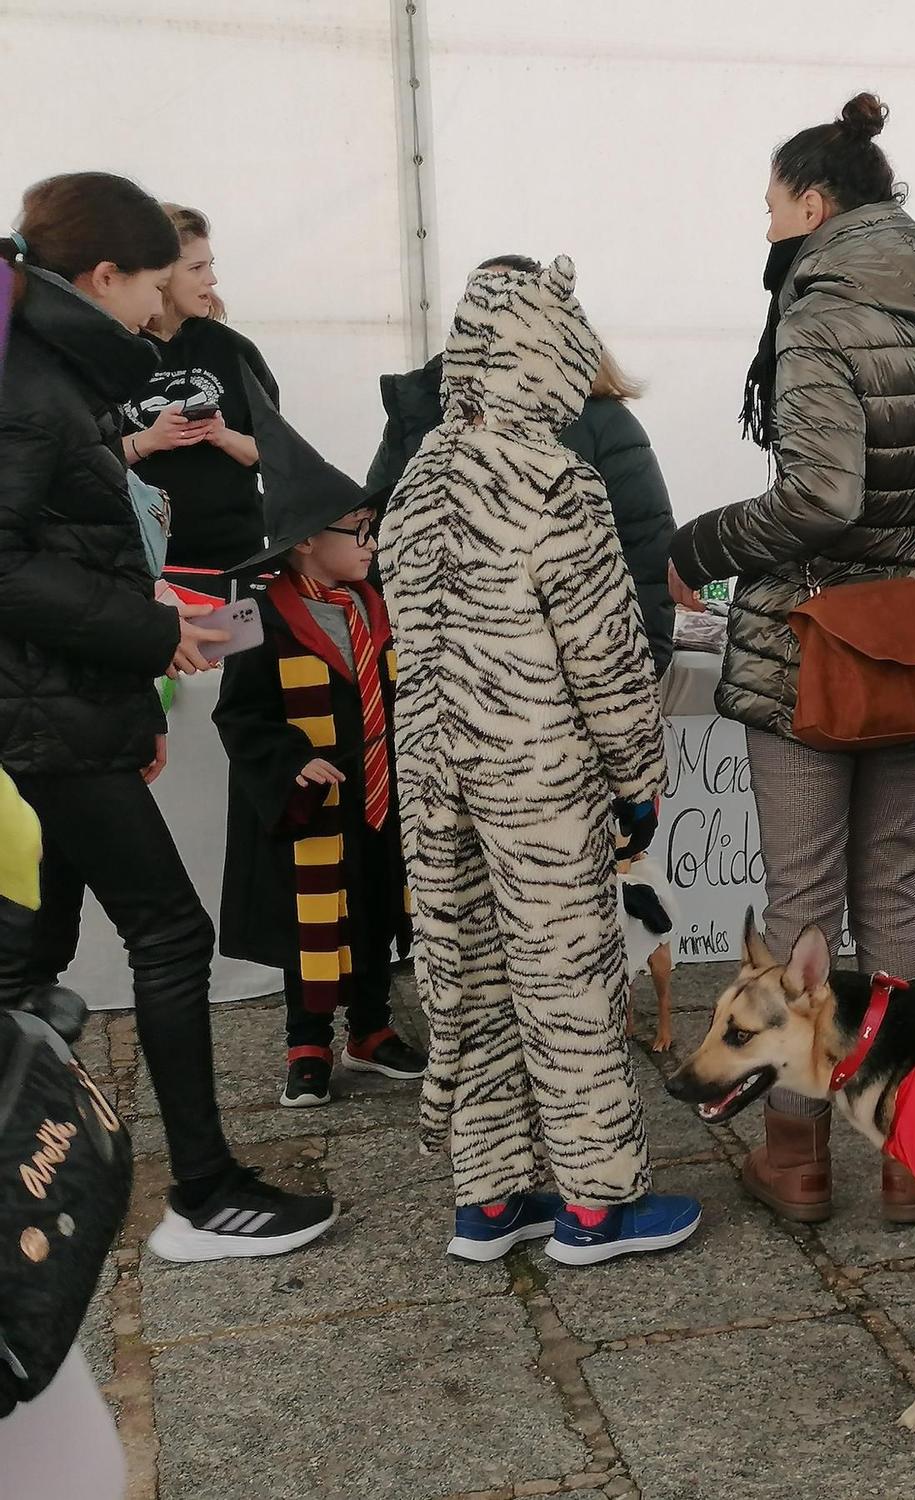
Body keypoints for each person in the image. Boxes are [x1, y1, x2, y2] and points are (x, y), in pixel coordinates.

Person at [0, 173, 337, 1261]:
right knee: (168, 931)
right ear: (103, 277)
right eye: (154, 283)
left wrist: (142, 615)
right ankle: (201, 1194)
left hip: (62, 698)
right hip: (43, 712)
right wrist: (149, 635)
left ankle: (30, 1183)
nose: (162, 309)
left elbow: (61, 542)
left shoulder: (47, 365)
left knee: (28, 952)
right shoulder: (28, 380)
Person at [666, 91, 915, 1228]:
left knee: (800, 894)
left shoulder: (816, 307)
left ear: (813, 200)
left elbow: (819, 496)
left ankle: (796, 1157)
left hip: (809, 642)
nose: (765, 230)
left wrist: (697, 544)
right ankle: (909, 1148)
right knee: (891, 888)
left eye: (769, 208)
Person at [378, 253, 700, 1266]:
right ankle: (597, 1205)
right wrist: (635, 783)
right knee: (563, 984)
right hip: (533, 775)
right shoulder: (555, 481)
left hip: (434, 776)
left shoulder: (417, 475)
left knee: (465, 978)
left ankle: (489, 1200)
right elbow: (604, 658)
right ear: (547, 351)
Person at [212, 378, 427, 1110]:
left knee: (373, 915)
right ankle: (307, 1042)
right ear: (307, 540)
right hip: (307, 806)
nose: (371, 544)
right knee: (313, 923)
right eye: (357, 532)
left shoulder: (379, 604)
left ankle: (370, 1028)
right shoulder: (252, 612)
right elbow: (236, 715)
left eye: (372, 529)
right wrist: (287, 759)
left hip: (376, 799)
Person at [366, 256, 677, 678]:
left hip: (555, 693)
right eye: (476, 303)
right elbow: (377, 539)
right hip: (442, 688)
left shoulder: (603, 425)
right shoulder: (420, 413)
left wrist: (635, 673)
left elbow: (644, 555)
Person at [121, 204, 277, 571]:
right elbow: (79, 459)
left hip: (236, 557)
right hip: (140, 564)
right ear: (159, 275)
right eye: (196, 268)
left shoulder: (234, 350)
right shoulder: (111, 351)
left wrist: (222, 436)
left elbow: (277, 454)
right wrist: (149, 441)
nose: (212, 280)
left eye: (211, 265)